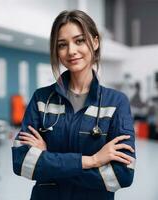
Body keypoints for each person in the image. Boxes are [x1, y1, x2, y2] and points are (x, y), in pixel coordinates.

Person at [12, 10, 135, 200]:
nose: (71, 51)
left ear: (94, 42)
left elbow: (121, 176)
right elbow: (22, 163)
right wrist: (92, 160)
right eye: (62, 45)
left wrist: (48, 159)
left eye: (79, 41)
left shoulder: (116, 103)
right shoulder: (41, 99)